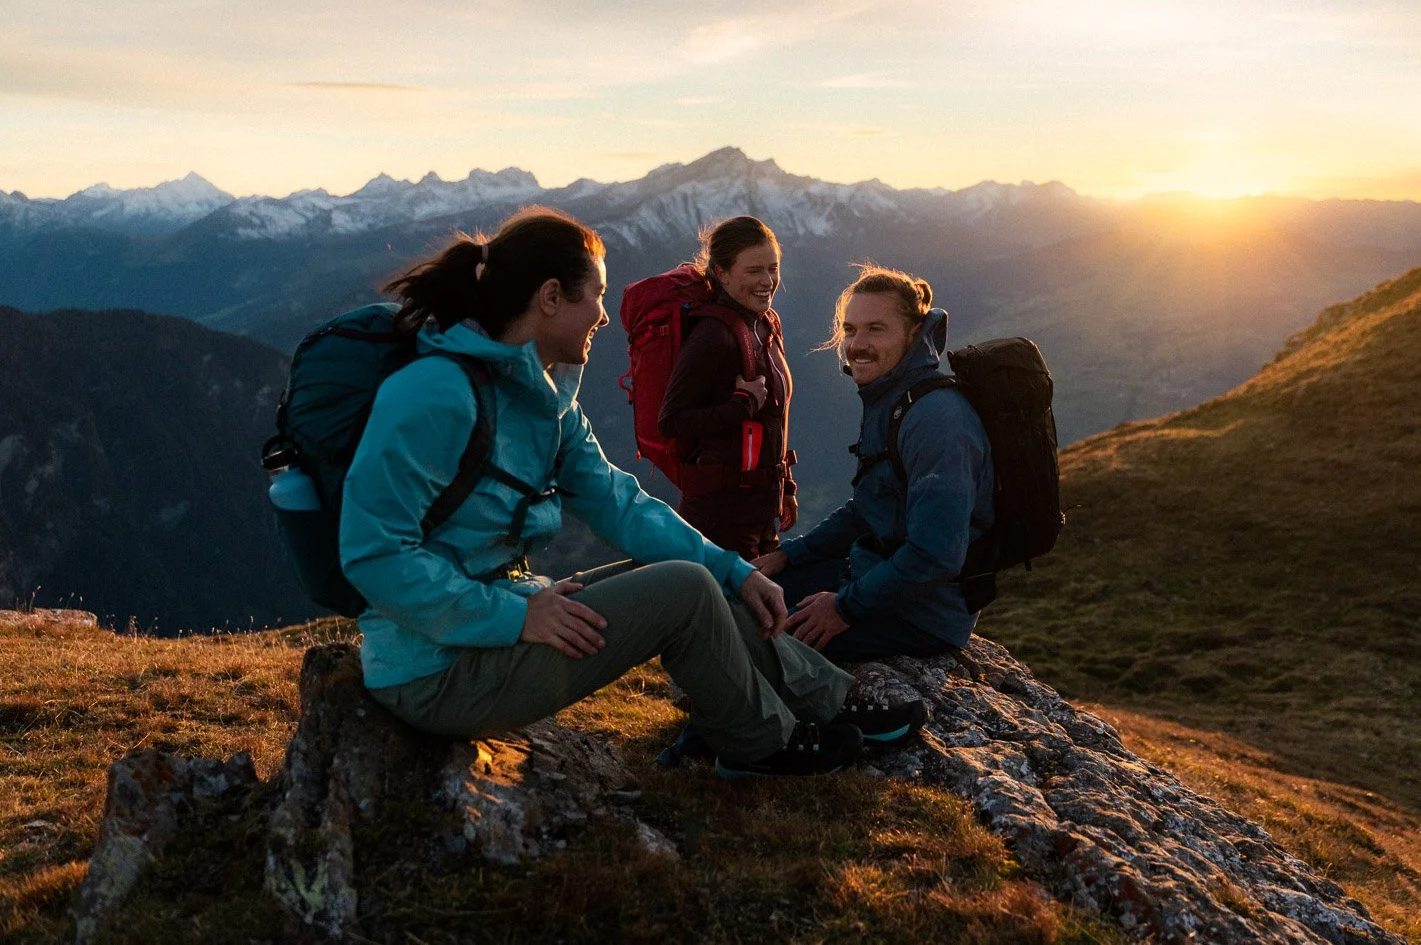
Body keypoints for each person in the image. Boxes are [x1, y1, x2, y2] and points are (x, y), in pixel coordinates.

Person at [339, 207, 921, 778]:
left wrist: (734, 570)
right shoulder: (435, 393)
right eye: (594, 296)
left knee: (710, 574)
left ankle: (828, 701)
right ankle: (762, 745)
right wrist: (512, 617)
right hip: (435, 673)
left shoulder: (543, 396)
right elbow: (373, 553)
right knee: (686, 588)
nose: (602, 316)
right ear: (549, 298)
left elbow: (617, 500)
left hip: (492, 627)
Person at [754, 265, 994, 662]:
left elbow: (936, 554)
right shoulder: (894, 398)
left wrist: (844, 608)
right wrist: (790, 556)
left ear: (914, 334)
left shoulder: (937, 420)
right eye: (850, 330)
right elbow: (870, 509)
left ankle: (872, 724)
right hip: (873, 576)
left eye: (876, 329)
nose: (857, 344)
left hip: (924, 615)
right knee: (747, 597)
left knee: (762, 643)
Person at [657, 216, 797, 559]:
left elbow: (774, 418)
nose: (768, 281)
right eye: (753, 271)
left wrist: (786, 486)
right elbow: (671, 421)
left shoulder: (764, 325)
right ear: (722, 273)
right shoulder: (713, 336)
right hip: (720, 521)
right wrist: (740, 405)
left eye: (773, 268)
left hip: (759, 514)